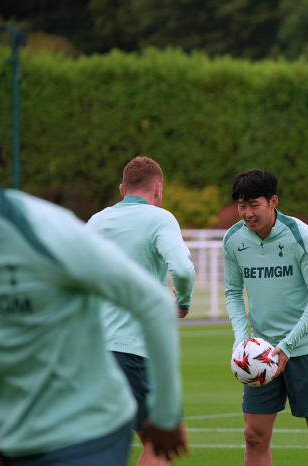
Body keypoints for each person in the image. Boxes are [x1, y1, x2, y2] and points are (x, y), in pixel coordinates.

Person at [0, 111, 187, 466]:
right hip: (10, 435)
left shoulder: (47, 231)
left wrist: (168, 415)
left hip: (86, 433)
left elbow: (153, 303)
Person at [86, 156, 195, 466]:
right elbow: (184, 270)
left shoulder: (96, 221)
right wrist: (183, 302)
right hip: (132, 346)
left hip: (92, 348)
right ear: (158, 189)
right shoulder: (159, 218)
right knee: (159, 442)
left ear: (123, 189)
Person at [222, 169, 308, 466]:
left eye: (253, 205)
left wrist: (287, 345)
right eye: (241, 205)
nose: (246, 213)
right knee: (254, 437)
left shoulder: (300, 235)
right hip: (259, 354)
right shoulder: (233, 239)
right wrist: (240, 341)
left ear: (273, 201)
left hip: (306, 347)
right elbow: (233, 293)